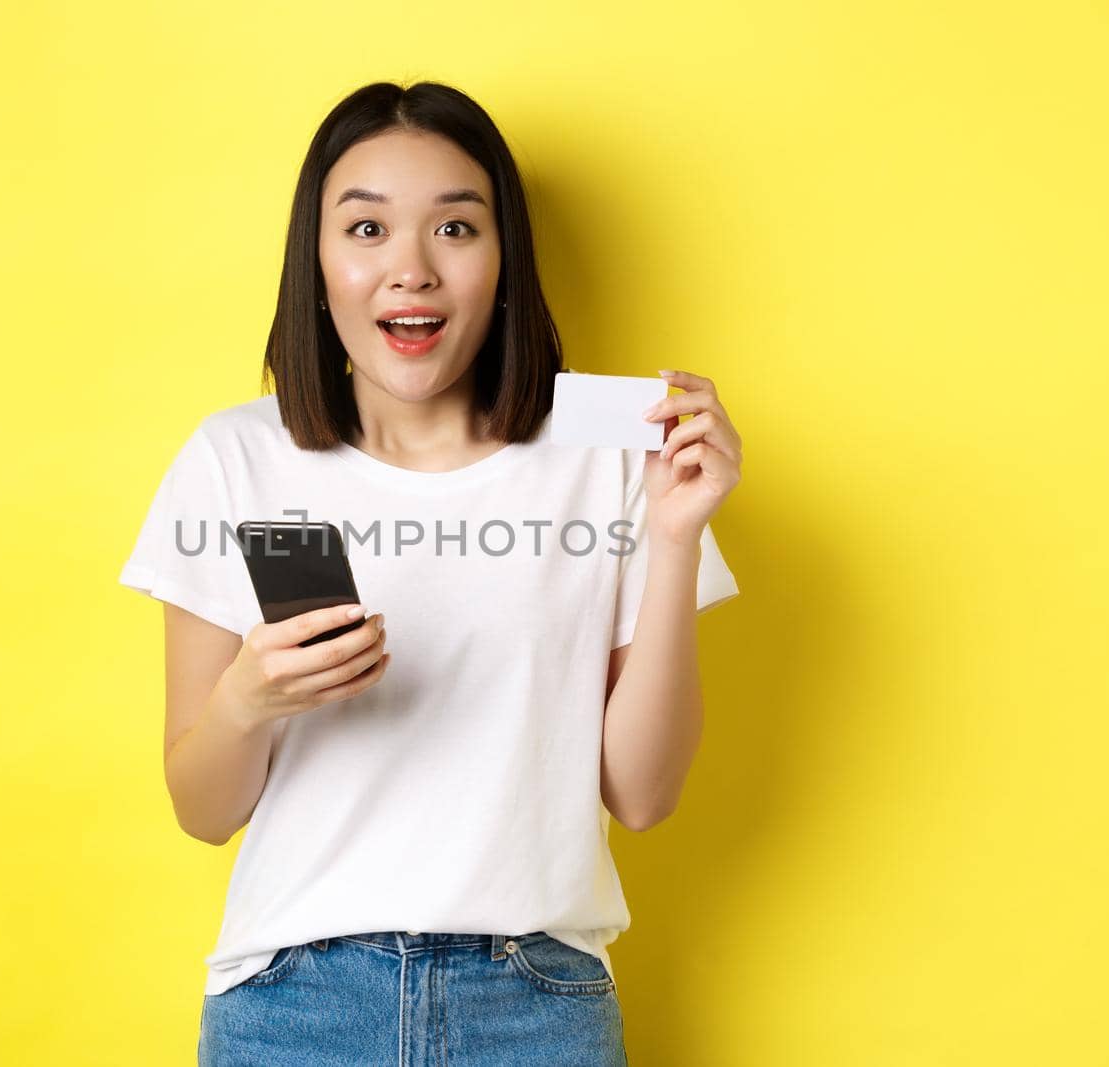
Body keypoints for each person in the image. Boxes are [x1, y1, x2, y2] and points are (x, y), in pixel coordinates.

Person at [118, 80, 742, 1066]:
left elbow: (644, 792)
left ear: (503, 262)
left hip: (536, 1002)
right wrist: (248, 696)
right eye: (365, 229)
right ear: (316, 265)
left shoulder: (609, 456)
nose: (410, 269)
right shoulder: (239, 456)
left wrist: (672, 538)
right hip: (293, 1005)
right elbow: (202, 810)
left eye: (455, 228)